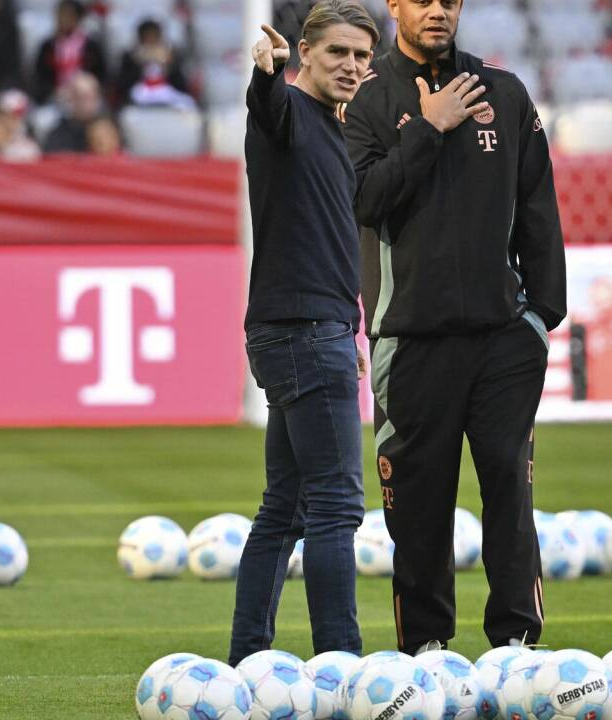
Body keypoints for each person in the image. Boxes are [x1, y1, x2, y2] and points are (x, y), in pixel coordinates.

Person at [343, 0, 566, 654]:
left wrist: (538, 318)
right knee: (418, 509)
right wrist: (429, 128)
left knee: (507, 485)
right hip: (410, 339)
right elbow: (364, 200)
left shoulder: (505, 93)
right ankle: (427, 652)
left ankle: (516, 648)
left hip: (502, 338)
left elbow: (538, 213)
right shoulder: (369, 102)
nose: (437, 10)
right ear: (395, 6)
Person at [228, 0, 378, 667]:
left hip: (311, 331)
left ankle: (247, 657)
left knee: (283, 510)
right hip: (305, 333)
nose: (351, 66)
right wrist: (268, 74)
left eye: (362, 57)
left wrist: (351, 330)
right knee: (336, 508)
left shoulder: (330, 129)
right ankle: (341, 665)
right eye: (339, 52)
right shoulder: (285, 114)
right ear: (307, 52)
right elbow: (267, 105)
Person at [33, 0, 107, 105]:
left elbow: (101, 75)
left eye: (68, 15)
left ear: (78, 18)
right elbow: (40, 76)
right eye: (60, 15)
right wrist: (52, 91)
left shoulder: (91, 46)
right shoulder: (48, 46)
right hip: (56, 97)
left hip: (86, 96)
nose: (63, 19)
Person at [115, 18, 194, 109]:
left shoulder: (171, 54)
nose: (151, 40)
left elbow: (181, 85)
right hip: (140, 93)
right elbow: (122, 86)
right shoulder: (129, 56)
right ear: (141, 39)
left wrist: (169, 65)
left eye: (154, 36)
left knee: (187, 102)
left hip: (165, 92)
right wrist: (138, 64)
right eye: (147, 37)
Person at [42, 72, 103, 154]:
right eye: (81, 97)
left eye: (90, 97)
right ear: (71, 99)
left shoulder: (108, 129)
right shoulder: (60, 133)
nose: (86, 103)